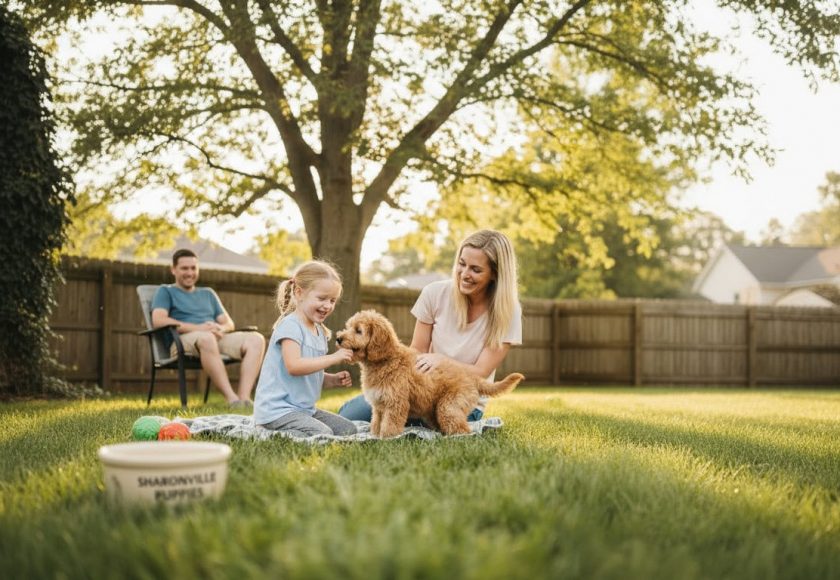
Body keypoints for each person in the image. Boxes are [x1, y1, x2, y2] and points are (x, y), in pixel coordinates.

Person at [339, 229, 522, 422]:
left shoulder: (508, 312)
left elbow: (481, 372)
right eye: (462, 264)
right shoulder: (434, 293)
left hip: (460, 399)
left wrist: (442, 360)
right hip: (420, 388)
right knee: (347, 416)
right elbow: (417, 350)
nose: (464, 274)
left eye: (475, 269)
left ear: (495, 274)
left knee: (434, 418)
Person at [253, 260, 358, 437]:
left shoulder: (319, 331)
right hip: (277, 411)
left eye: (332, 300)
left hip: (303, 410)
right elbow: (294, 367)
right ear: (299, 292)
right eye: (322, 298)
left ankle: (290, 430)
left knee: (349, 429)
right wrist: (334, 357)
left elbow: (308, 374)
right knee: (322, 433)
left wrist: (331, 379)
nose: (328, 305)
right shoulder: (291, 326)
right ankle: (266, 432)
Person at [151, 248, 266, 408]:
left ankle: (244, 399)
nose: (190, 273)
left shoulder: (208, 294)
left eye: (193, 268)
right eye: (184, 268)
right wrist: (199, 328)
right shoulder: (166, 291)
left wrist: (220, 328)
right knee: (206, 338)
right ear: (173, 269)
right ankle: (232, 400)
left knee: (256, 339)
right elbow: (159, 320)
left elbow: (228, 323)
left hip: (214, 337)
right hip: (183, 341)